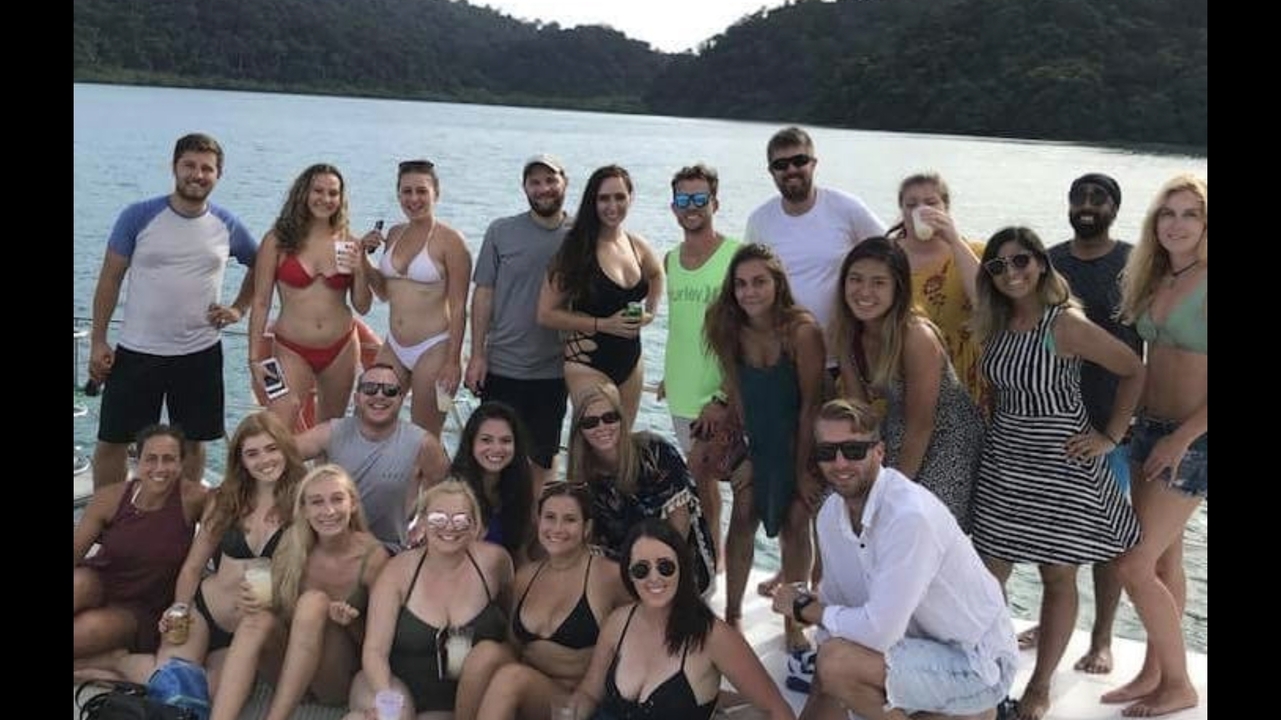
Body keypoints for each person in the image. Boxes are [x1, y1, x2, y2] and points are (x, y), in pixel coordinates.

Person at [970, 226, 1144, 720]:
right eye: (998, 266)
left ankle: (1040, 686)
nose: (1012, 273)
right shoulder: (996, 320)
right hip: (1006, 457)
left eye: (1021, 261)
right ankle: (984, 669)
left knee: (1057, 574)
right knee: (987, 574)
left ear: (1041, 264)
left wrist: (1110, 436)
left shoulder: (1063, 323)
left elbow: (1133, 368)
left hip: (1059, 458)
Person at [771, 399, 1017, 720]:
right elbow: (836, 626)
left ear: (879, 452)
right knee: (833, 658)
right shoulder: (830, 515)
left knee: (838, 663)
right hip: (916, 652)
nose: (840, 462)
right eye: (827, 453)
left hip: (977, 663)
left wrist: (804, 607)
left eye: (854, 450)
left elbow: (877, 633)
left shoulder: (909, 518)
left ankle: (980, 708)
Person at [87, 132, 258, 489]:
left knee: (193, 442)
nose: (197, 175)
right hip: (137, 351)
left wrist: (239, 309)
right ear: (174, 168)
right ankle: (106, 522)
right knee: (113, 442)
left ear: (218, 175)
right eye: (189, 166)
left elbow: (260, 265)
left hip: (198, 353)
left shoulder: (227, 224)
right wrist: (99, 341)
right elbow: (109, 280)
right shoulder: (138, 216)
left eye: (206, 169)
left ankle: (185, 519)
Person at [1026, 172, 1143, 674]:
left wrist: (1116, 430)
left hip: (1109, 426)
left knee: (1107, 540)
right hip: (1056, 422)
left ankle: (1102, 639)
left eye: (1099, 198)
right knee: (1049, 532)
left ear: (1115, 208)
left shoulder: (1135, 264)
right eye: (1080, 197)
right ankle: (1048, 619)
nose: (1087, 206)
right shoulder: (1050, 262)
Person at [1102, 174, 1207, 718]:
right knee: (1164, 562)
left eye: (1190, 214)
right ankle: (1154, 671)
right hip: (1150, 430)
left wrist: (1183, 438)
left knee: (1132, 562)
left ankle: (1180, 685)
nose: (1177, 224)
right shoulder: (1155, 275)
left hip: (1195, 438)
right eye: (1168, 214)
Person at [106, 412, 308, 689]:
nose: (264, 460)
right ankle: (116, 661)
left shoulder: (305, 502)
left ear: (286, 448)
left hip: (247, 628)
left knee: (206, 693)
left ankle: (107, 666)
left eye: (272, 449)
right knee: (172, 684)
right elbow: (192, 567)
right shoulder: (226, 499)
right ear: (241, 460)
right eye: (252, 453)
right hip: (204, 611)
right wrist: (180, 607)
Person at [703, 243, 824, 649]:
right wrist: (736, 450)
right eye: (740, 284)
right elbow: (739, 394)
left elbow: (811, 406)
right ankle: (732, 614)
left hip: (798, 443)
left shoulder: (801, 331)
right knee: (742, 519)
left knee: (795, 524)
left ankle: (793, 621)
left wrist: (805, 468)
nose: (749, 292)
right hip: (758, 446)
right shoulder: (729, 329)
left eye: (759, 282)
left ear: (777, 284)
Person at [566, 518, 796, 720]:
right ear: (629, 576)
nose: (654, 578)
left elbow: (777, 710)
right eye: (641, 570)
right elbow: (589, 692)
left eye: (665, 567)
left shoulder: (713, 636)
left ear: (682, 568)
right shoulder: (618, 623)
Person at [209, 464, 389, 720]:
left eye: (337, 499)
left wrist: (349, 623)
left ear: (353, 504)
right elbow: (280, 615)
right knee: (256, 620)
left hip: (336, 680)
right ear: (304, 510)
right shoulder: (294, 543)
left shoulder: (372, 558)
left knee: (313, 602)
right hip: (289, 671)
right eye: (316, 502)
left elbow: (382, 644)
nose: (328, 511)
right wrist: (253, 602)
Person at [831, 237, 984, 530]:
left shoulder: (916, 336)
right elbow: (859, 416)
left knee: (912, 523)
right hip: (896, 427)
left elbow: (921, 425)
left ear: (898, 289)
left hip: (947, 435)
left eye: (878, 283)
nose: (864, 292)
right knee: (837, 504)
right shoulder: (848, 333)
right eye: (856, 280)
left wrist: (887, 493)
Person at [346, 479, 513, 720]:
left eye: (460, 519)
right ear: (422, 523)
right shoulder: (397, 572)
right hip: (396, 682)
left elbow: (514, 624)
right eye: (438, 518)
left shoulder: (494, 563)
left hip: (466, 700)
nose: (449, 527)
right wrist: (387, 697)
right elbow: (374, 650)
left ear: (474, 526)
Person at [475, 482, 631, 720]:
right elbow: (514, 645)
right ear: (539, 521)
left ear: (586, 527)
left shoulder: (608, 577)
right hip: (528, 690)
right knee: (484, 654)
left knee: (511, 680)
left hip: (575, 700)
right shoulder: (526, 576)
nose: (557, 528)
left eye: (569, 519)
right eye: (550, 517)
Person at [466, 155, 573, 494]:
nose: (543, 189)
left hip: (554, 371)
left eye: (550, 180)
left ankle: (532, 536)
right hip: (502, 365)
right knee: (490, 457)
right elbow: (483, 294)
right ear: (525, 188)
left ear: (564, 183)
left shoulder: (581, 235)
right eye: (535, 182)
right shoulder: (501, 231)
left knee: (542, 459)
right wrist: (477, 354)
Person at [655, 163, 742, 567]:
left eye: (699, 199)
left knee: (703, 479)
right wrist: (668, 377)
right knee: (701, 481)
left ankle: (710, 563)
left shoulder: (735, 257)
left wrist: (724, 396)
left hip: (717, 394)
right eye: (683, 200)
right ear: (674, 208)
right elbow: (682, 327)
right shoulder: (670, 260)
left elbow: (748, 333)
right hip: (681, 390)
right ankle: (713, 559)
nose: (691, 208)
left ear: (715, 203)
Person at [248, 162, 373, 431]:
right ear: (303, 193)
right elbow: (260, 301)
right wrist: (253, 359)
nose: (325, 199)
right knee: (279, 421)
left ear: (341, 199)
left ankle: (322, 474)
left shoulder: (349, 243)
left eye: (333, 193)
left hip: (341, 347)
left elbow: (363, 306)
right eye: (318, 191)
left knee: (331, 430)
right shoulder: (277, 241)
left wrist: (360, 270)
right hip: (291, 347)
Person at [537, 164, 664, 425]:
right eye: (604, 198)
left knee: (622, 447)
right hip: (587, 361)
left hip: (631, 360)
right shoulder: (576, 249)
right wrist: (603, 324)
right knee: (595, 441)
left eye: (619, 197)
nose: (612, 206)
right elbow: (546, 314)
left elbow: (657, 274)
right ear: (592, 202)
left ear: (631, 198)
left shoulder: (636, 245)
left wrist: (650, 312)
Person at [565, 383, 716, 596]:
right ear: (579, 430)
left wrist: (656, 571)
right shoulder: (584, 477)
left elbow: (679, 521)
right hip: (618, 564)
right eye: (590, 422)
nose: (602, 427)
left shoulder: (654, 452)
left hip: (670, 558)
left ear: (621, 418)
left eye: (610, 417)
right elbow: (590, 539)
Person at [75, 425, 208, 661]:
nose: (159, 468)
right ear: (137, 460)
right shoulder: (110, 497)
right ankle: (104, 659)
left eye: (168, 460)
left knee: (88, 630)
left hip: (143, 603)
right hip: (102, 578)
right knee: (78, 584)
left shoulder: (194, 499)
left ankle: (108, 655)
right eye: (151, 459)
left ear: (181, 463)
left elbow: (236, 501)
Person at [743, 126, 885, 343]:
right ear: (771, 172)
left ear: (814, 163)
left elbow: (890, 254)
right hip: (785, 352)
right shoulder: (759, 221)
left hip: (845, 351)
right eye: (781, 165)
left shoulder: (847, 209)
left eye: (799, 161)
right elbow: (748, 282)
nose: (791, 169)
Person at [363, 159, 473, 436]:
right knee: (371, 421)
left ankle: (433, 480)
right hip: (394, 345)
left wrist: (453, 362)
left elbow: (460, 307)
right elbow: (384, 293)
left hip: (436, 348)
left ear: (436, 193)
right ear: (398, 194)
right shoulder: (394, 233)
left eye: (421, 191)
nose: (414, 199)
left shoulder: (452, 241)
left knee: (426, 433)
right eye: (406, 191)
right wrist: (362, 259)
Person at [296, 363, 451, 552]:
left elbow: (445, 489)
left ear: (401, 399)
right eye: (370, 389)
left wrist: (424, 522)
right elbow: (279, 455)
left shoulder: (422, 443)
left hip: (388, 548)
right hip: (331, 543)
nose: (379, 395)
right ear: (357, 398)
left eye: (390, 391)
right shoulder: (331, 432)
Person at [887, 172, 987, 405]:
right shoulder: (885, 256)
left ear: (946, 208)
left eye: (931, 203)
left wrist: (953, 240)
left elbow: (985, 304)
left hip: (961, 377)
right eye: (911, 204)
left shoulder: (973, 252)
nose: (921, 210)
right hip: (901, 372)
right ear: (902, 211)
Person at [450, 401, 537, 567]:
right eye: (486, 440)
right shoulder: (454, 492)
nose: (497, 448)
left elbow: (520, 550)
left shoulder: (519, 486)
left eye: (505, 441)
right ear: (471, 443)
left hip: (503, 576)